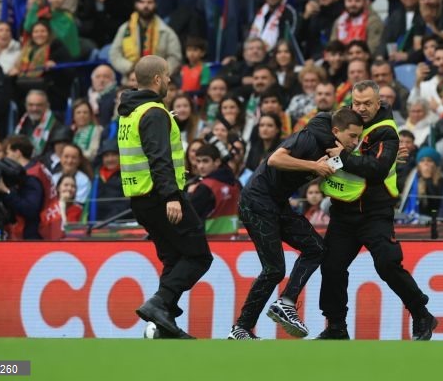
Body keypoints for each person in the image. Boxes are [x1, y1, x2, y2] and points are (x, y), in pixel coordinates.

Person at [229, 107, 364, 340]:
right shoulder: (309, 138)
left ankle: (286, 303)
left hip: (277, 204)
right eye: (352, 136)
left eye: (359, 137)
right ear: (336, 130)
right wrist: (314, 167)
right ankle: (241, 328)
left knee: (317, 248)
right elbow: (275, 159)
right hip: (256, 202)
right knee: (274, 269)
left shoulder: (335, 149)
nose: (355, 141)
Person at [318, 80, 437, 341]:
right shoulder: (341, 120)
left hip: (375, 211)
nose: (360, 108)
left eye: (367, 104)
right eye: (356, 103)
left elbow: (377, 169)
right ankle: (336, 326)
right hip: (343, 211)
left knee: (387, 263)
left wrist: (342, 158)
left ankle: (421, 312)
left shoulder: (387, 132)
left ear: (378, 103)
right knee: (332, 266)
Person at [117, 55, 214, 339]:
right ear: (158, 79)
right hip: (162, 197)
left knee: (174, 259)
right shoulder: (154, 112)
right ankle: (159, 304)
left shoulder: (129, 113)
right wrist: (172, 196)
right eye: (168, 76)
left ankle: (163, 326)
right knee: (199, 257)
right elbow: (159, 158)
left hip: (140, 199)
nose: (171, 81)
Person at [109, 0, 183, 80]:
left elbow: (175, 58)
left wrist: (160, 74)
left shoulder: (166, 31)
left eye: (149, 2)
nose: (146, 5)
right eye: (142, 2)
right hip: (131, 79)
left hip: (158, 81)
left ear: (155, 4)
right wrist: (131, 69)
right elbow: (114, 54)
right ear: (136, 4)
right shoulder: (124, 29)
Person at [186, 144, 241, 235]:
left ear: (217, 162)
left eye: (205, 161)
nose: (201, 166)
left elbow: (188, 214)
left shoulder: (205, 187)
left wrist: (189, 194)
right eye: (198, 161)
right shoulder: (235, 184)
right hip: (233, 240)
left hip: (210, 241)